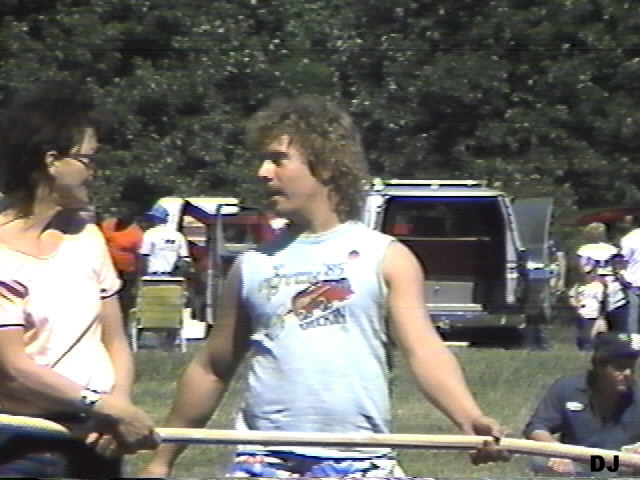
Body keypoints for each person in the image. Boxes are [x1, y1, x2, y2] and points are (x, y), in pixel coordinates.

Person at [143, 95, 509, 478]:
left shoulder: (384, 256)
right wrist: (161, 461)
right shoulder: (252, 265)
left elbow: (424, 351)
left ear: (328, 164)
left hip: (358, 458)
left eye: (278, 160)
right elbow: (211, 369)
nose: (262, 172)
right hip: (264, 460)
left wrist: (469, 417)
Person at [0, 81, 158, 478]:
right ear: (52, 161)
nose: (94, 173)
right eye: (87, 160)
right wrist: (100, 404)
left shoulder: (87, 237)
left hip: (96, 440)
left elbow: (115, 339)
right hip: (24, 445)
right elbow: (14, 366)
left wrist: (118, 404)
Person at [523, 332, 640, 476]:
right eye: (619, 368)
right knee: (538, 460)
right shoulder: (567, 389)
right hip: (575, 464)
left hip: (621, 465)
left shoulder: (637, 397)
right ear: (598, 366)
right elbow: (536, 427)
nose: (627, 373)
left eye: (631, 368)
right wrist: (557, 452)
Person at [568, 223, 629, 350]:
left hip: (590, 289)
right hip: (612, 288)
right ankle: (617, 348)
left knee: (588, 325)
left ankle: (587, 348)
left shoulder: (582, 251)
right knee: (617, 328)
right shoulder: (613, 250)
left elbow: (578, 272)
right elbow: (621, 271)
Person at [100, 202, 144, 325]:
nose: (122, 215)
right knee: (106, 298)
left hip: (127, 273)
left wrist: (139, 277)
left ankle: (123, 326)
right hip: (108, 269)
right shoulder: (107, 226)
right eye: (120, 211)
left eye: (125, 212)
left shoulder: (136, 233)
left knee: (124, 302)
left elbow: (140, 257)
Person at [139, 204, 191, 276]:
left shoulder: (150, 233)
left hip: (154, 276)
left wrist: (141, 275)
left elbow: (143, 256)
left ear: (155, 219)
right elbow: (185, 259)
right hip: (174, 277)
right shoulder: (178, 235)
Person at [619, 215, 640, 333]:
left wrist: (621, 275)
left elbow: (623, 261)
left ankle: (635, 341)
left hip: (633, 282)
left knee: (633, 316)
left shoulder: (628, 239)